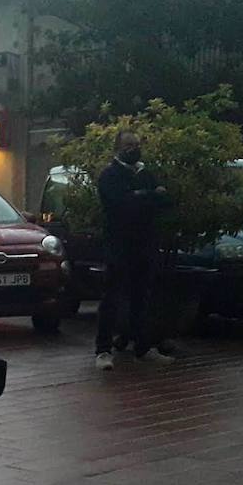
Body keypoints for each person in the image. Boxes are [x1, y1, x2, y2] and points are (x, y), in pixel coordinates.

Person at [95, 129, 173, 370]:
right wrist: (148, 197)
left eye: (136, 144)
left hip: (145, 245)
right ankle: (103, 350)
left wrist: (141, 197)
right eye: (128, 144)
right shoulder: (110, 175)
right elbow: (121, 205)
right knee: (112, 298)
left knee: (142, 298)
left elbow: (165, 200)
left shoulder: (145, 173)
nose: (133, 148)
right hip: (118, 246)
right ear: (118, 148)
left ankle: (143, 347)